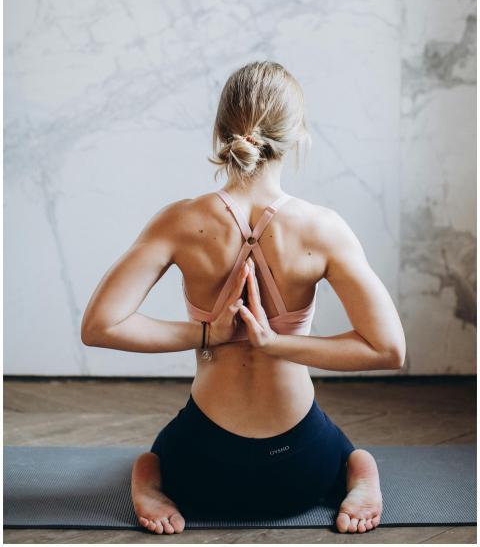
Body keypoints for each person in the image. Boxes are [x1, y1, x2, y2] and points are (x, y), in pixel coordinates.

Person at [81, 60, 406, 535]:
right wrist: (277, 344)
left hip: (200, 469)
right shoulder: (323, 228)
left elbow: (100, 326)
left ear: (221, 133)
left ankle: (149, 480)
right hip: (300, 468)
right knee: (347, 453)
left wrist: (210, 332)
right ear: (297, 136)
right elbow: (388, 349)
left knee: (156, 456)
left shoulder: (179, 221)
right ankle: (359, 472)